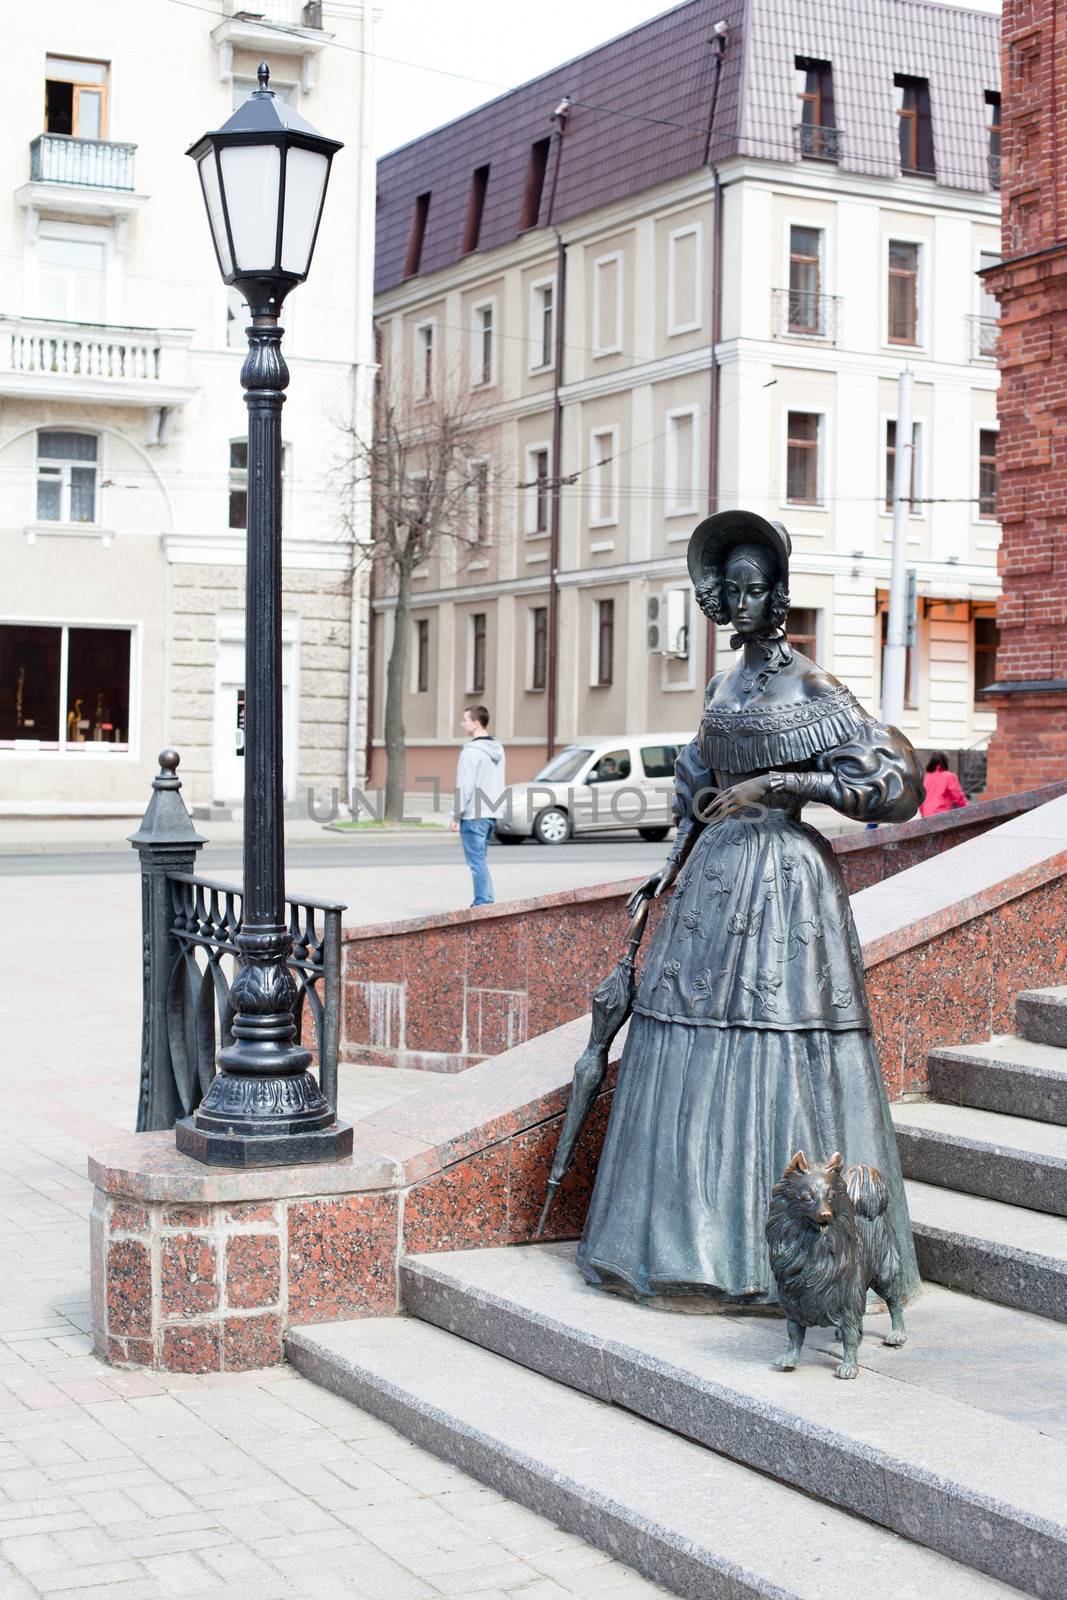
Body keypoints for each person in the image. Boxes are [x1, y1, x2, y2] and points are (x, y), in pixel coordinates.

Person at [577, 509, 924, 1311]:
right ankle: (679, 1244)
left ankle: (783, 1260)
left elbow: (891, 788)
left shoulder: (815, 687)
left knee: (774, 1042)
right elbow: (695, 791)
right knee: (690, 1044)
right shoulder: (721, 684)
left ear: (778, 595)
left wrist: (783, 786)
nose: (739, 604)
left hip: (783, 885)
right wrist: (664, 868)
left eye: (753, 590)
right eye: (727, 591)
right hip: (710, 884)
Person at [450, 705, 506, 906]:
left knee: (476, 862)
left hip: (473, 814)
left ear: (476, 723)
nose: (462, 723)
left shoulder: (471, 752)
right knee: (480, 860)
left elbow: (464, 786)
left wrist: (456, 815)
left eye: (465, 720)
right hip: (491, 812)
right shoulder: (498, 750)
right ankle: (486, 900)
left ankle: (483, 903)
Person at [920, 752, 968, 817]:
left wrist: (923, 813)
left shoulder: (926, 777)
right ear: (945, 762)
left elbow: (921, 798)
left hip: (927, 816)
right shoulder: (949, 776)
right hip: (941, 816)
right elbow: (958, 796)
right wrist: (968, 809)